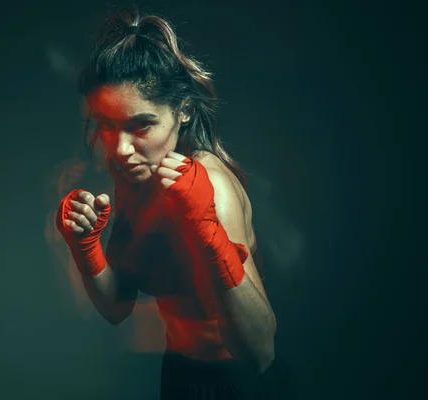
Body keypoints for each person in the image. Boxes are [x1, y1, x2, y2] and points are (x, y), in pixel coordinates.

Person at [56, 8, 280, 399]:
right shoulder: (136, 178)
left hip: (237, 384)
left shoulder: (212, 185)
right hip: (177, 376)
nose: (121, 150)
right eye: (107, 125)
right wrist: (84, 246)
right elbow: (117, 306)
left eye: (140, 125)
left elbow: (260, 351)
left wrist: (208, 232)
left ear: (184, 110)